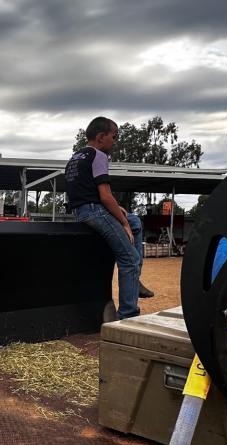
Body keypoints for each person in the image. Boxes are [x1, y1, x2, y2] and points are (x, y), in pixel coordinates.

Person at [65, 116, 140, 319]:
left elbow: (93, 191)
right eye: (113, 137)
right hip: (95, 211)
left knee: (135, 221)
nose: (114, 143)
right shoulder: (99, 156)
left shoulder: (76, 157)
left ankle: (136, 280)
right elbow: (105, 196)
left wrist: (122, 212)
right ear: (100, 137)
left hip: (82, 211)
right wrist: (122, 223)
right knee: (130, 259)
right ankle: (128, 316)